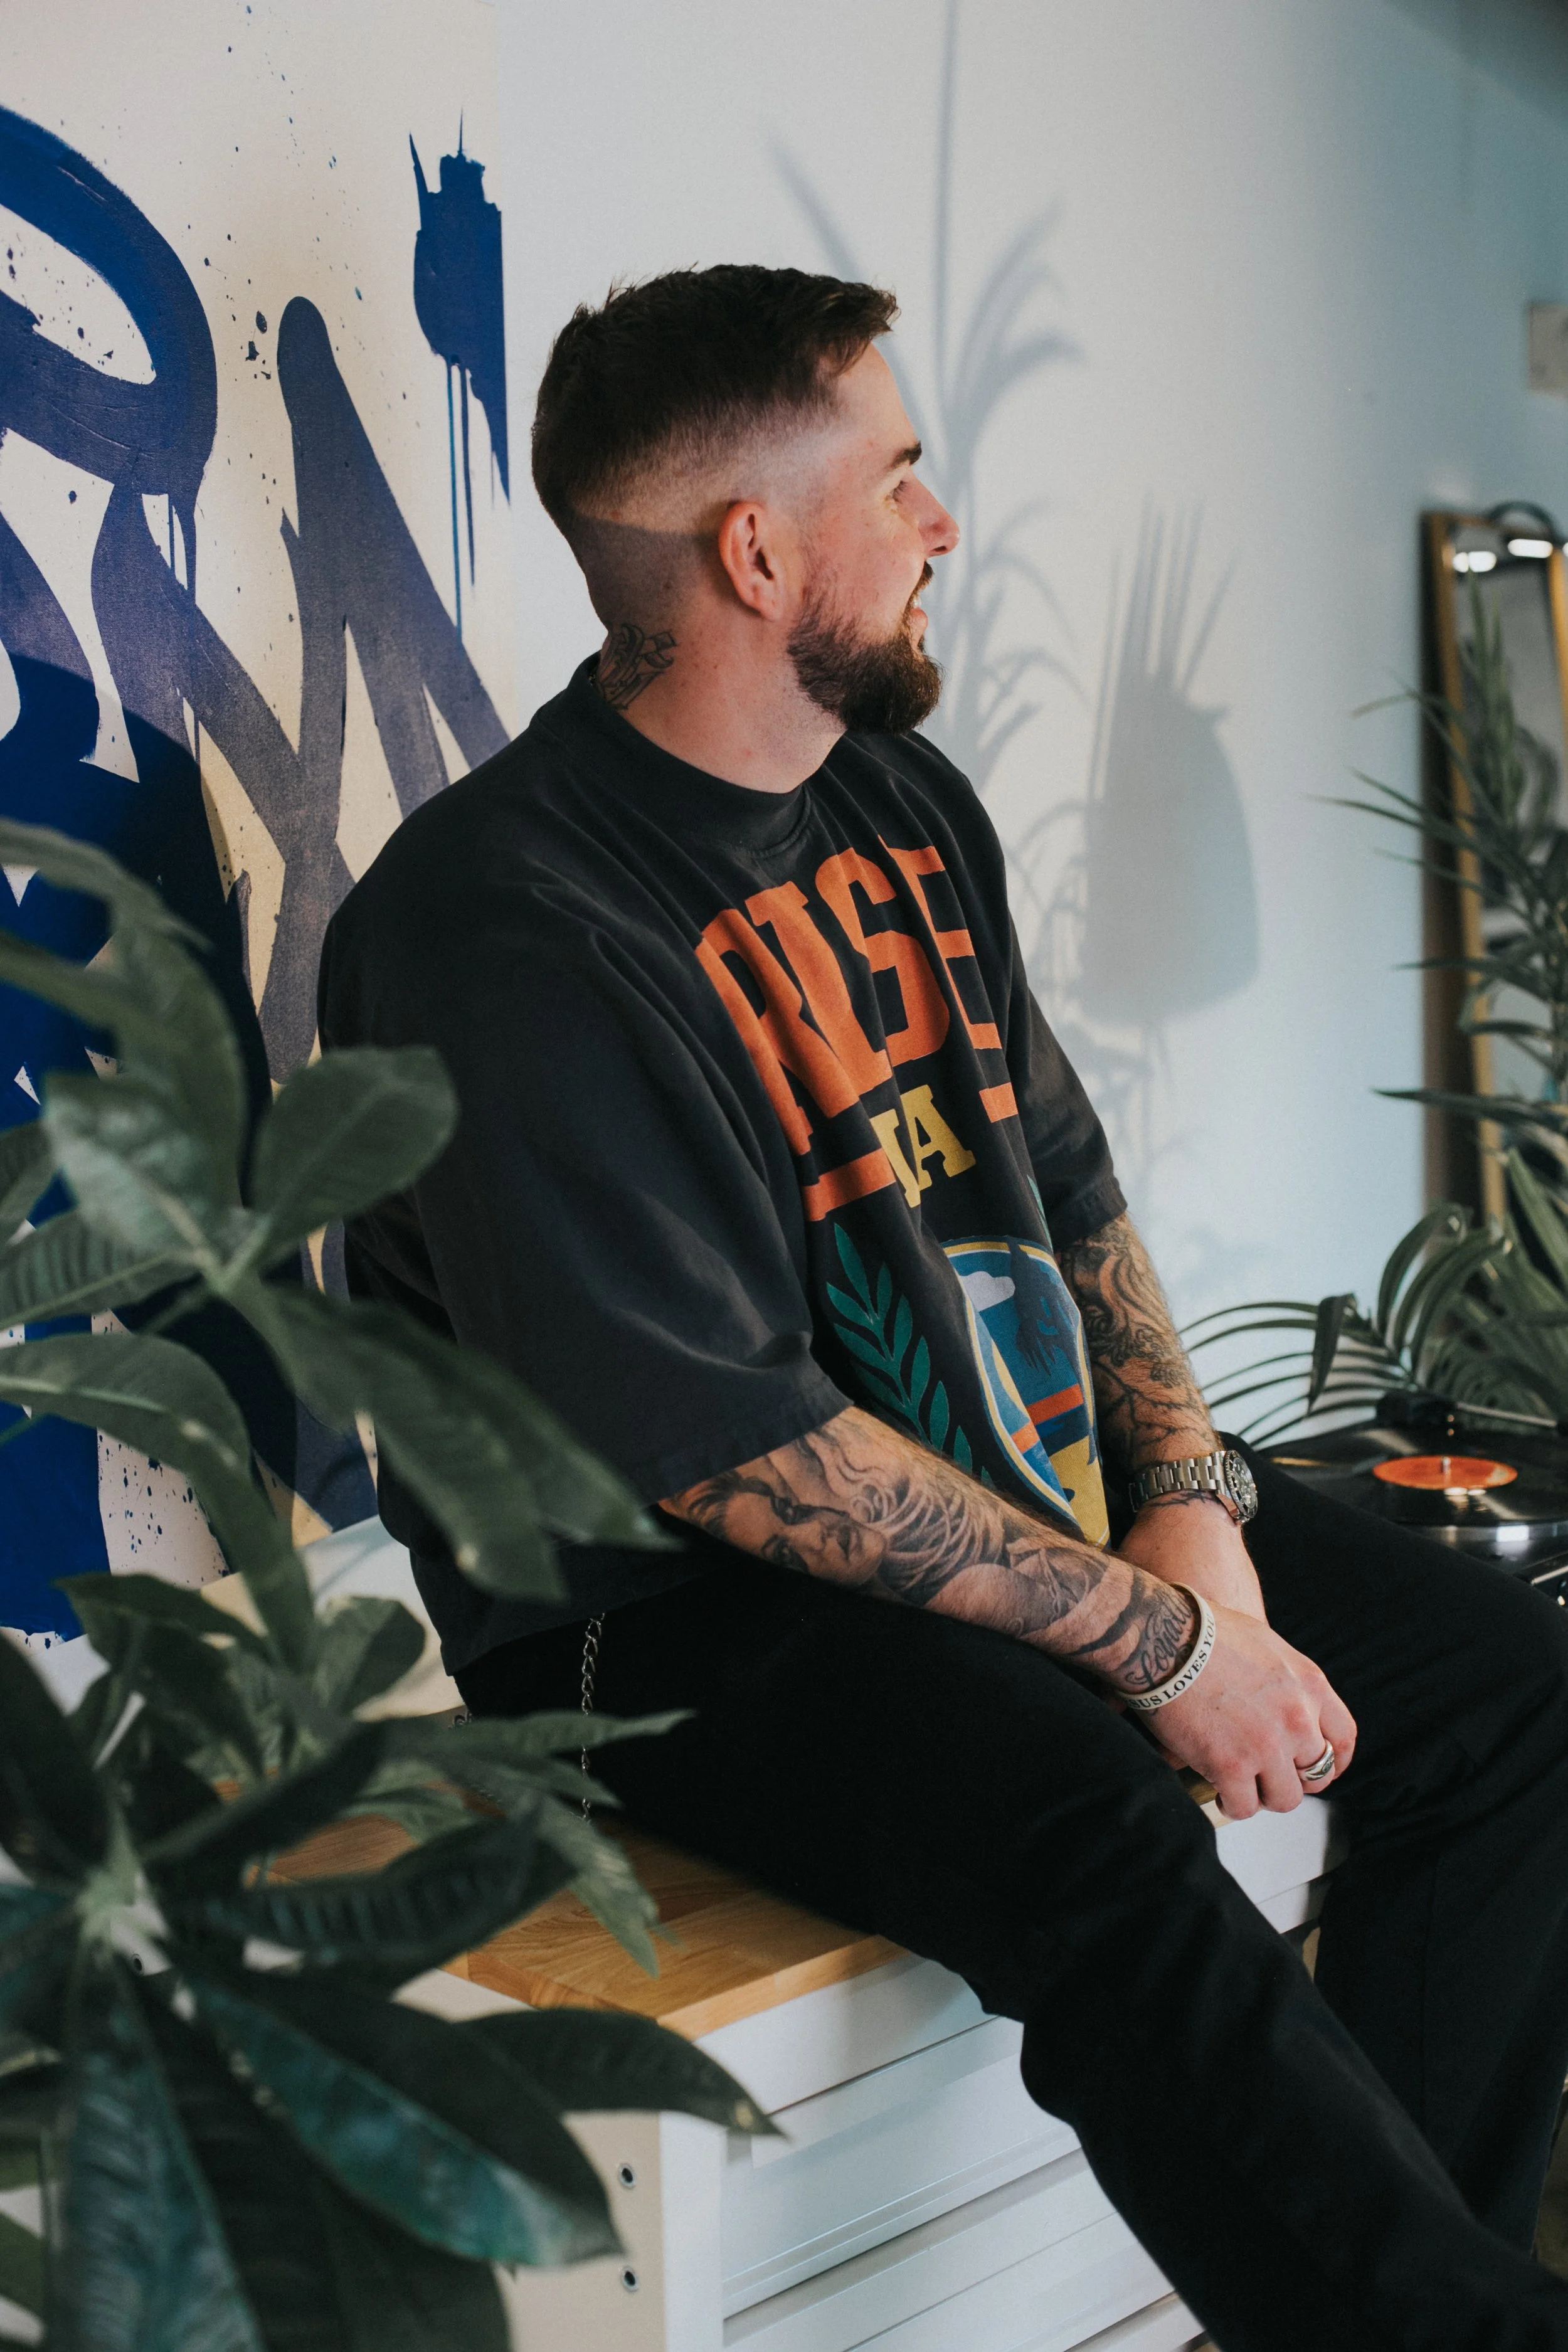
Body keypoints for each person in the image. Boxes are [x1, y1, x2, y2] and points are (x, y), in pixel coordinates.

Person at [319, 265, 1568, 2350]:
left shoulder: (899, 799)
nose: (939, 520)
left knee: (1509, 1686)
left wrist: (1184, 1501)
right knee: (1077, 1802)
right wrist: (1165, 1643)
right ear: (753, 550)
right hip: (656, 1616)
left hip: (1008, 1475)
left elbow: (1061, 1180)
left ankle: (1399, 2307)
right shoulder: (492, 928)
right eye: (897, 474)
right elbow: (727, 1448)